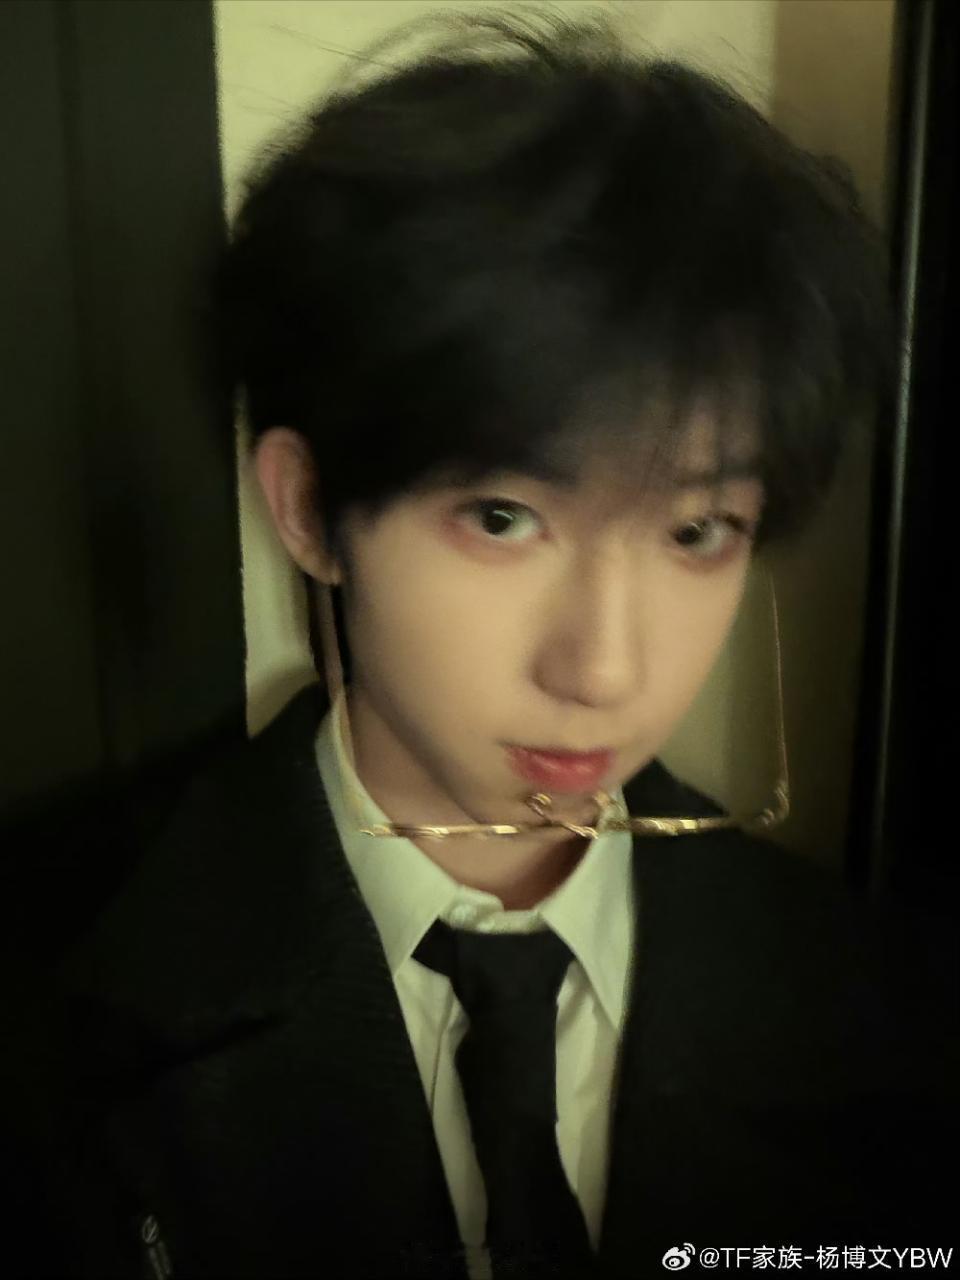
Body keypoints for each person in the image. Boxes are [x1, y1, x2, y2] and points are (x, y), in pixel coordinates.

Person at [2, 10, 956, 1279]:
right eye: (502, 517)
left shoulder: (889, 1009)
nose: (604, 671)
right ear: (309, 507)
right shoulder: (48, 989)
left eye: (696, 530)